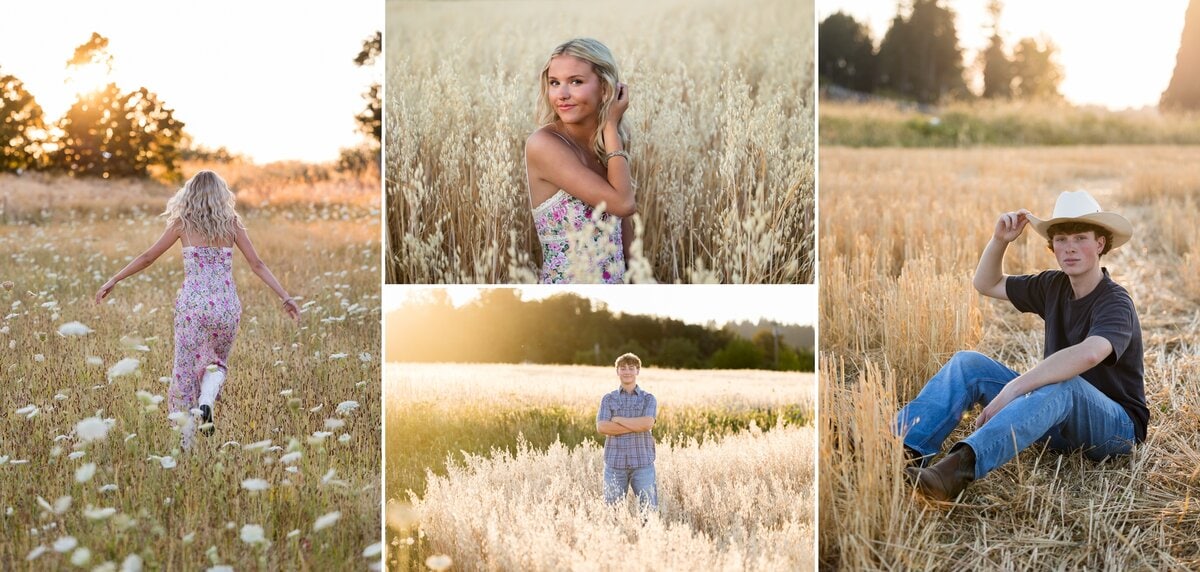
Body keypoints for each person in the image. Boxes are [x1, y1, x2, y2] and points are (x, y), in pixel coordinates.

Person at [898, 190, 1146, 501]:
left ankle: (952, 474)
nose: (1070, 248)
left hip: (1115, 430)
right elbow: (986, 283)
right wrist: (1000, 240)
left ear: (1100, 244)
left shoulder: (1115, 301)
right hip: (1055, 417)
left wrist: (1014, 388)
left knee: (1063, 383)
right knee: (968, 363)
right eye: (1062, 240)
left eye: (1081, 238)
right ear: (1052, 246)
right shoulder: (1052, 286)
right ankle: (900, 452)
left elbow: (1091, 352)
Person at [95, 170, 299, 449]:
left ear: (189, 194)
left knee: (184, 373)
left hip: (193, 307)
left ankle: (185, 444)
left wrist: (114, 279)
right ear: (221, 195)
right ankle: (206, 401)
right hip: (226, 306)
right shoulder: (232, 224)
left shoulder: (183, 224)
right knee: (217, 363)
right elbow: (258, 264)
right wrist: (285, 297)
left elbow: (147, 258)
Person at [525, 38, 636, 284]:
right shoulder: (544, 145)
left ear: (606, 88)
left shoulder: (608, 141)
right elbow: (623, 203)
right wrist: (609, 125)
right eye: (554, 83)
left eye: (575, 82)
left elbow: (621, 221)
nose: (562, 95)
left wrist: (642, 278)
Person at [596, 352, 658, 510]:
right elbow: (602, 427)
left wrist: (618, 420)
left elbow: (647, 424)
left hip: (642, 463)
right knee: (612, 512)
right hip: (615, 464)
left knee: (649, 511)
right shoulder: (608, 399)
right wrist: (635, 425)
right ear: (617, 371)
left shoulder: (648, 398)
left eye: (631, 368)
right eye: (623, 368)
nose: (627, 371)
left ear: (638, 371)